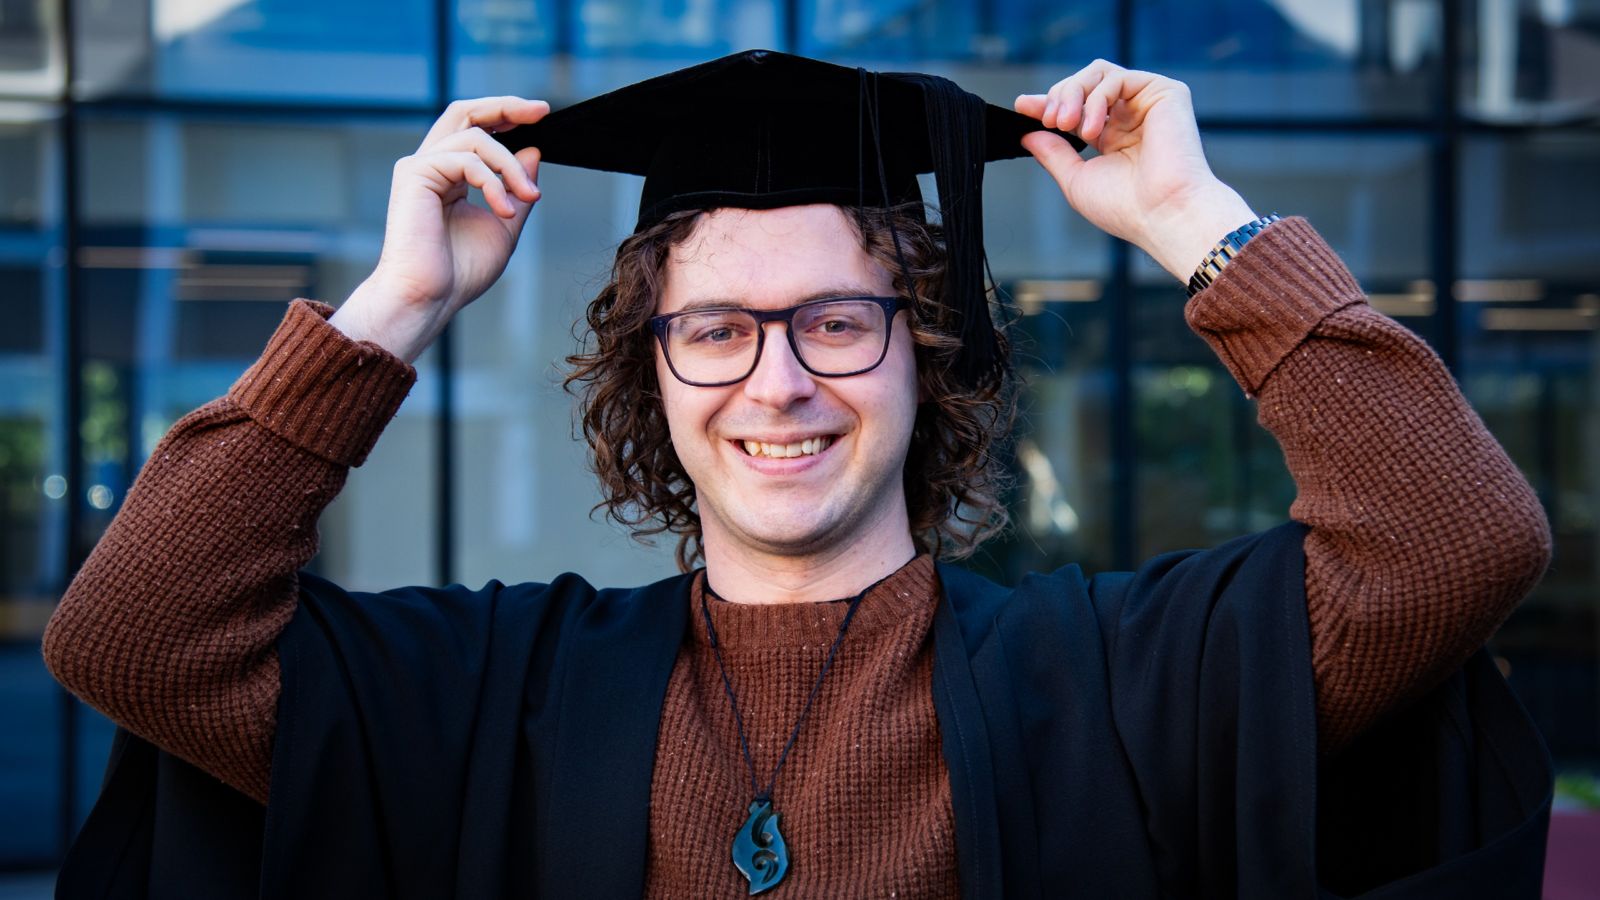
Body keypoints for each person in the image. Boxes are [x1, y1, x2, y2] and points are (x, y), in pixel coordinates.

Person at [44, 51, 1554, 898]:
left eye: (837, 320)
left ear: (925, 355)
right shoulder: (502, 693)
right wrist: (399, 305)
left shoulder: (1117, 674)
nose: (778, 381)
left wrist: (1196, 223)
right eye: (714, 330)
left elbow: (1456, 544)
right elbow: (134, 635)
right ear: (652, 377)